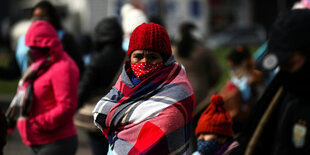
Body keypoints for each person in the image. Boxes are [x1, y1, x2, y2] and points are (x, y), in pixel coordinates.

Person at [92, 22, 195, 154]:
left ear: (165, 60)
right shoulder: (125, 82)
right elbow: (103, 111)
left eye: (152, 57)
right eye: (138, 56)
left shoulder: (179, 91)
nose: (144, 62)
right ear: (130, 58)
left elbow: (166, 128)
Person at [231, 9, 310, 155]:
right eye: (282, 65)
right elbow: (257, 138)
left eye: (290, 64)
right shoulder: (281, 90)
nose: (285, 72)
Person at [6, 20, 79, 155]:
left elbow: (67, 106)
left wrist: (37, 123)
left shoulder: (63, 67)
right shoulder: (39, 66)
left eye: (36, 46)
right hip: (36, 141)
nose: (32, 51)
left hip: (56, 142)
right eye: (30, 47)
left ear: (48, 45)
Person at [76, 17, 126, 155]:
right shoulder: (127, 58)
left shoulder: (96, 60)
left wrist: (74, 106)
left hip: (97, 116)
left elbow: (84, 88)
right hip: (121, 115)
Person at [0, 1, 84, 79]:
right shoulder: (23, 40)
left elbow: (77, 67)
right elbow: (14, 71)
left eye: (42, 17)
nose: (39, 21)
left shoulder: (63, 38)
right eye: (35, 17)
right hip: (30, 90)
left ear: (52, 18)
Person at [172, 22, 222, 152]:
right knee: (201, 131)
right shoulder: (203, 50)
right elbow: (217, 73)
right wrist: (208, 84)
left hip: (180, 98)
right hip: (202, 98)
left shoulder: (174, 51)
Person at [219, 45, 266, 133]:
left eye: (233, 68)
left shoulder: (255, 77)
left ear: (243, 64)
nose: (232, 71)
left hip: (252, 117)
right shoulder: (236, 80)